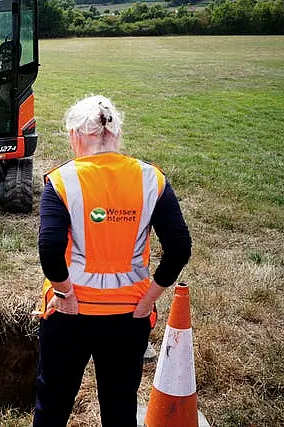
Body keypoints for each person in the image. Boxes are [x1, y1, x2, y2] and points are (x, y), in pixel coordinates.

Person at [33, 95, 191, 426]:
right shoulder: (152, 179)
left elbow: (49, 249)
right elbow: (178, 247)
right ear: (116, 133)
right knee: (119, 406)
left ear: (76, 135)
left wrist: (66, 295)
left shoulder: (63, 181)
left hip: (68, 315)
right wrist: (149, 299)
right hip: (129, 316)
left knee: (53, 404)